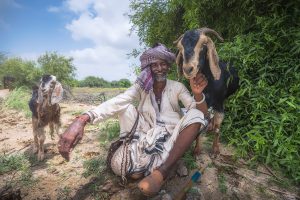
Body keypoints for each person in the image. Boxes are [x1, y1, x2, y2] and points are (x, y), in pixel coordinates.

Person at [58, 43, 209, 196]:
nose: (159, 68)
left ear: (168, 66)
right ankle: (147, 166)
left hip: (171, 138)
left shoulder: (177, 87)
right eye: (154, 65)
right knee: (125, 108)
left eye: (163, 64)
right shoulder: (142, 87)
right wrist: (83, 118)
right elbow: (119, 100)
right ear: (148, 68)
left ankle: (162, 172)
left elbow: (203, 115)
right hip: (144, 137)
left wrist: (197, 94)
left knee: (195, 114)